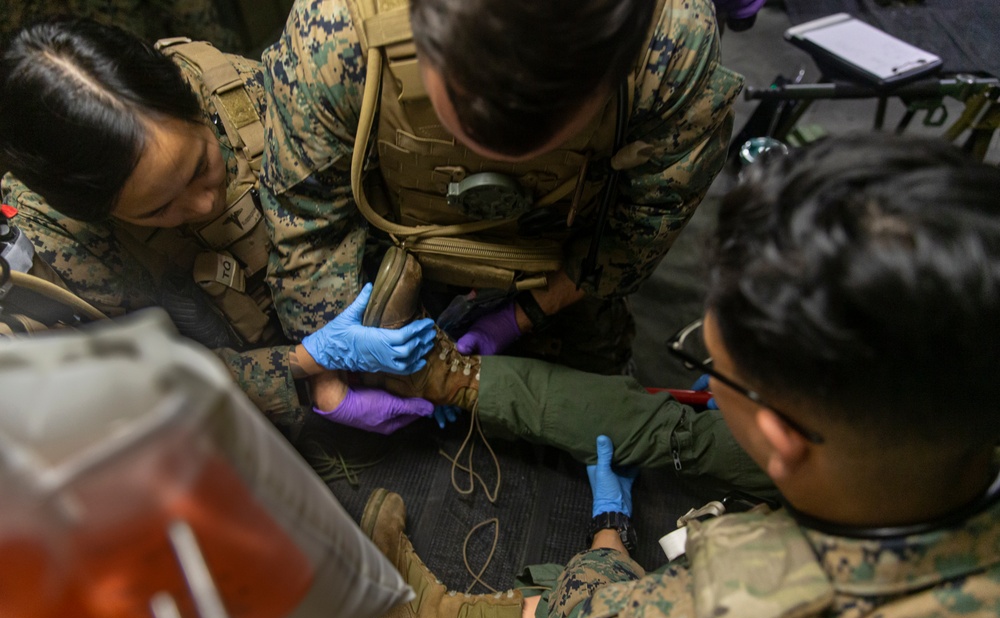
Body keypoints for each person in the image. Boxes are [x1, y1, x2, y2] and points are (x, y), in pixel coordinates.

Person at [345, 134, 1000, 618]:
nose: (706, 382)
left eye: (713, 363)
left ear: (783, 437)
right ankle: (447, 376)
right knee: (683, 433)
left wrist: (609, 535)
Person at [258, 0, 744, 415]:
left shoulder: (675, 50)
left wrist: (524, 314)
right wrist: (331, 374)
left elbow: (631, 240)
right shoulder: (333, 33)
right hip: (392, 261)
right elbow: (307, 227)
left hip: (570, 264)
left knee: (597, 415)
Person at [0, 19, 437, 439]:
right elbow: (154, 381)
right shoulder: (59, 244)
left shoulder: (237, 93)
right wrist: (305, 370)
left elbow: (343, 205)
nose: (205, 203)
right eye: (159, 209)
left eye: (201, 167)